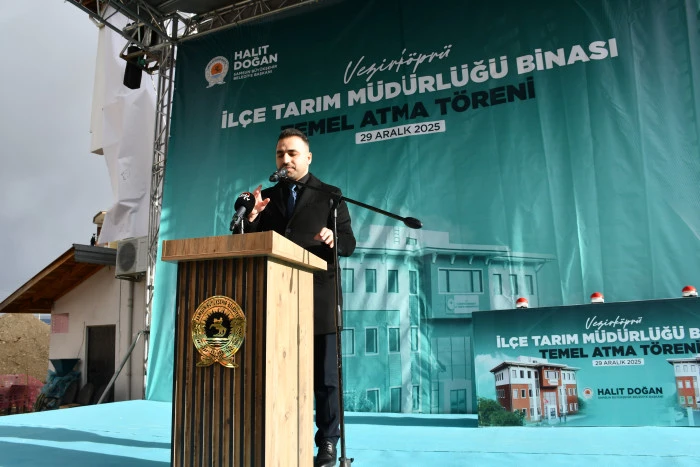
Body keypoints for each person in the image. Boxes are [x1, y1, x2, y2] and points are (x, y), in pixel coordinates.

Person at [244, 128, 356, 467]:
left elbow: (349, 243)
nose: (285, 159)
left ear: (308, 157)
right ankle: (280, 438)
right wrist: (251, 218)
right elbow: (243, 240)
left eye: (292, 153)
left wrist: (333, 237)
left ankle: (328, 443)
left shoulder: (330, 195)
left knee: (326, 379)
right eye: (280, 154)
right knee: (277, 375)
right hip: (276, 298)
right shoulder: (264, 198)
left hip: (319, 297)